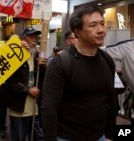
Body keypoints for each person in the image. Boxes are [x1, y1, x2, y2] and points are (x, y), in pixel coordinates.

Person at [42, 5, 117, 141]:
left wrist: (110, 135)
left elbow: (111, 101)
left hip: (100, 136)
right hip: (67, 137)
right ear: (78, 31)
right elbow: (49, 109)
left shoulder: (107, 60)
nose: (101, 30)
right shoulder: (60, 64)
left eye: (102, 23)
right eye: (93, 25)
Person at [4, 27, 44, 141]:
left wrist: (44, 67)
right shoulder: (14, 55)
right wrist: (28, 90)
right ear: (23, 39)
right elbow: (10, 82)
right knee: (19, 138)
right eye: (31, 37)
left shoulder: (37, 56)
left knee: (38, 137)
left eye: (35, 37)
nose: (34, 40)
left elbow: (40, 79)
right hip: (19, 109)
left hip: (34, 108)